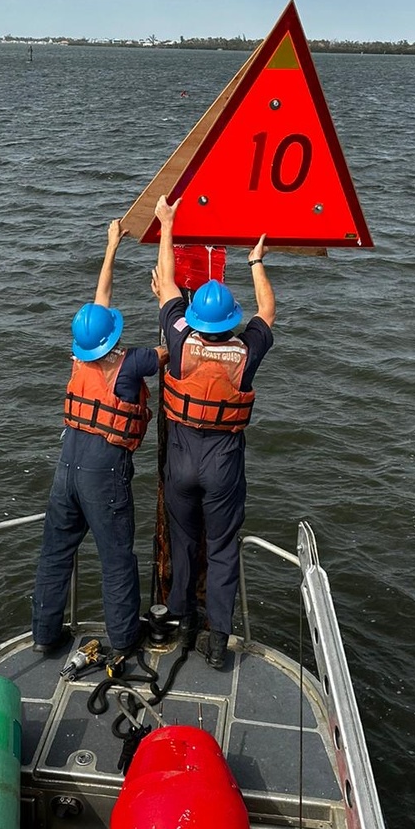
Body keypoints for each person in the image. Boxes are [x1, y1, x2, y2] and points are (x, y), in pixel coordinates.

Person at [151, 195, 276, 669]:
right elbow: (268, 309)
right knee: (222, 549)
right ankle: (217, 639)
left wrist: (167, 223)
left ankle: (181, 621)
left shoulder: (180, 341)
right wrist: (256, 261)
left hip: (180, 465)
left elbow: (165, 287)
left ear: (198, 319)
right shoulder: (246, 353)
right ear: (229, 321)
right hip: (223, 468)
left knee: (182, 544)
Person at [32, 219, 165, 658]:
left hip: (66, 466)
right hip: (103, 472)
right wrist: (167, 301)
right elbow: (171, 348)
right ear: (112, 338)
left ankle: (45, 635)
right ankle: (126, 640)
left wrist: (111, 248)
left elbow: (97, 304)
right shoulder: (131, 364)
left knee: (55, 555)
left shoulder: (79, 358)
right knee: (116, 561)